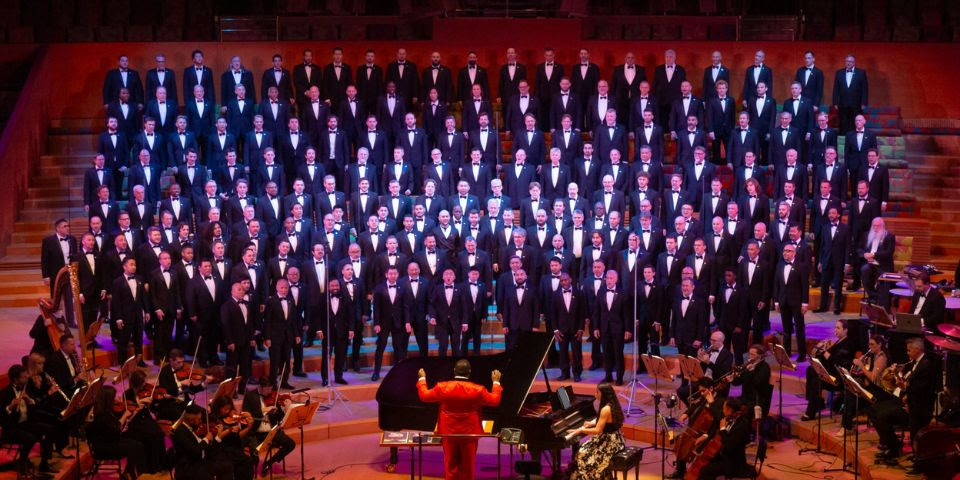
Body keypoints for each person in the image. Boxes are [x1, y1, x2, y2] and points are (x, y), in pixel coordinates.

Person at [416, 359, 502, 480]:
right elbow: (495, 400)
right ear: (470, 372)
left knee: (450, 467)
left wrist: (422, 379)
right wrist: (496, 382)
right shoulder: (478, 390)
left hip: (448, 433)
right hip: (469, 435)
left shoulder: (442, 387)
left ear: (454, 371)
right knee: (468, 468)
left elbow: (424, 396)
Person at [870, 338, 939, 472]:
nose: (907, 353)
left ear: (917, 350)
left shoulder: (926, 365)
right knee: (873, 410)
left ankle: (916, 462)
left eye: (909, 350)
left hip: (918, 407)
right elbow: (909, 383)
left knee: (883, 415)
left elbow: (922, 389)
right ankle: (893, 445)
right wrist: (899, 378)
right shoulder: (914, 363)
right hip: (907, 401)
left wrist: (905, 391)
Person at [567, 383, 626, 480]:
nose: (595, 394)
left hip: (610, 442)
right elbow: (605, 420)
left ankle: (590, 477)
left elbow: (597, 430)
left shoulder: (605, 409)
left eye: (597, 392)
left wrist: (581, 429)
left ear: (603, 394)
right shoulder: (613, 404)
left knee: (583, 454)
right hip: (617, 438)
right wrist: (591, 423)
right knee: (584, 448)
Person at [87, 386, 147, 480]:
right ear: (107, 399)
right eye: (113, 397)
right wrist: (125, 415)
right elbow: (116, 428)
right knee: (136, 446)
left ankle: (130, 472)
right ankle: (133, 474)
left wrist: (133, 413)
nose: (116, 399)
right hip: (104, 447)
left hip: (110, 441)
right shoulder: (101, 415)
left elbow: (114, 429)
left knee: (138, 443)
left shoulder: (105, 410)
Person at [241, 378, 297, 476]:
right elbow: (246, 415)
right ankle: (249, 474)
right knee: (254, 454)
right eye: (267, 389)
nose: (269, 392)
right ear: (260, 387)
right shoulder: (250, 396)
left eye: (271, 389)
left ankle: (268, 463)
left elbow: (279, 417)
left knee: (290, 444)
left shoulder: (273, 397)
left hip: (271, 431)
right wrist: (264, 410)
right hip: (255, 433)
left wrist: (284, 410)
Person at [801, 320, 853, 421]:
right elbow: (826, 356)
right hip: (830, 374)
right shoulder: (838, 342)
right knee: (810, 370)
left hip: (838, 379)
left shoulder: (848, 344)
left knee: (817, 381)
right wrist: (821, 349)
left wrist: (826, 354)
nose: (835, 330)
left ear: (845, 330)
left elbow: (839, 363)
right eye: (835, 327)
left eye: (838, 328)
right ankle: (818, 403)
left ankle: (810, 412)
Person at [694, 397, 754, 480]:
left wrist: (723, 429)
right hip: (728, 457)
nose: (723, 411)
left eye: (724, 409)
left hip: (734, 463)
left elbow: (729, 446)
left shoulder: (741, 425)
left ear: (729, 410)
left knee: (705, 471)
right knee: (706, 463)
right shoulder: (732, 419)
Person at [171, 404, 235, 480]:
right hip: (189, 467)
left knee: (227, 464)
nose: (200, 422)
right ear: (191, 419)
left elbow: (206, 448)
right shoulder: (180, 431)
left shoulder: (190, 429)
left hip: (200, 461)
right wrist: (206, 439)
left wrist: (218, 437)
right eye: (199, 419)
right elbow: (195, 450)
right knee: (223, 467)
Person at [732, 345, 772, 418]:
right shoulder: (748, 365)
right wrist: (732, 379)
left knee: (740, 410)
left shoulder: (765, 367)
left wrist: (750, 371)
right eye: (749, 354)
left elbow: (757, 384)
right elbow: (738, 382)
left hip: (757, 400)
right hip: (745, 397)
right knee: (729, 404)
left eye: (753, 354)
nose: (750, 356)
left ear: (760, 356)